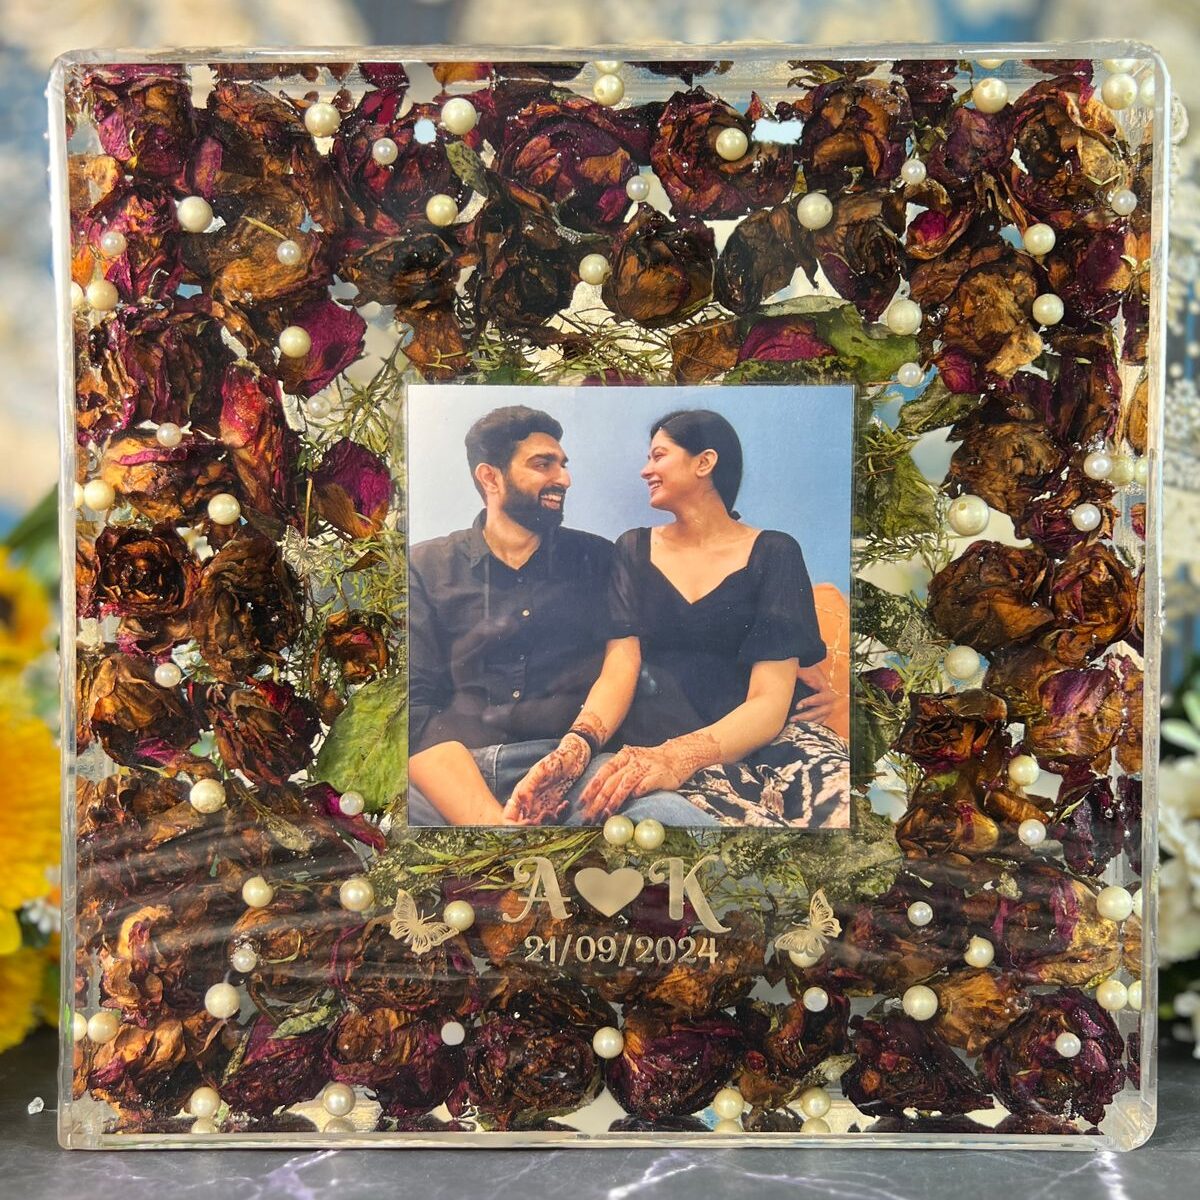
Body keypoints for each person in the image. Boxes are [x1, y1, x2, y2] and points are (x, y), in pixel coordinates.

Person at [510, 408, 850, 828]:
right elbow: (620, 668)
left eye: (658, 456)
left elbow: (768, 700)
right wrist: (576, 747)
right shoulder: (633, 550)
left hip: (765, 745)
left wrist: (680, 757)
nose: (645, 470)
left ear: (704, 462)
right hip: (655, 740)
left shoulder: (776, 552)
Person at [406, 404, 716, 827]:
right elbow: (414, 704)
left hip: (575, 771)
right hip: (453, 775)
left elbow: (639, 655)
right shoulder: (424, 566)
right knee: (379, 831)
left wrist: (575, 750)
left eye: (563, 464)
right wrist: (489, 823)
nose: (564, 479)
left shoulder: (599, 558)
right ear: (490, 477)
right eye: (543, 464)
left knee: (675, 821)